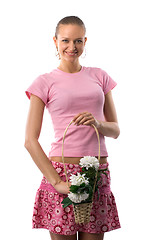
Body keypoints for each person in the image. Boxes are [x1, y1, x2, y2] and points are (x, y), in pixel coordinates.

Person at [24, 16, 121, 240]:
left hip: (97, 174)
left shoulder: (100, 76)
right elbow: (30, 140)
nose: (72, 47)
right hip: (61, 172)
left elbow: (115, 130)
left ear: (85, 41)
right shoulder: (44, 82)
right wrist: (56, 182)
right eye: (66, 40)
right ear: (55, 41)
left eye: (78, 41)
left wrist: (97, 124)